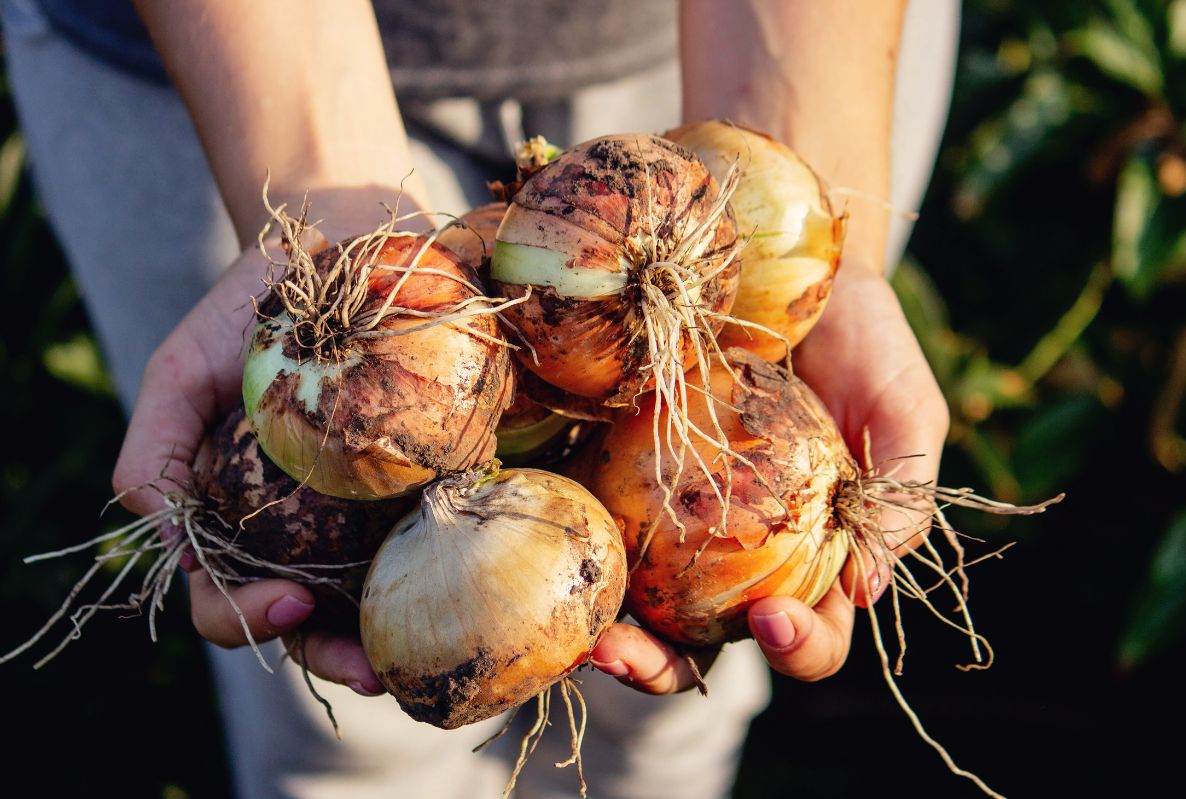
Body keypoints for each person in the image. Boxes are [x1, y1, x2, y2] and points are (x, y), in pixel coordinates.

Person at [4, 0, 958, 795]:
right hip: (224, 59)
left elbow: (738, 228)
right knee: (343, 746)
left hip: (736, 42)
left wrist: (791, 172)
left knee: (657, 730)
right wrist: (324, 216)